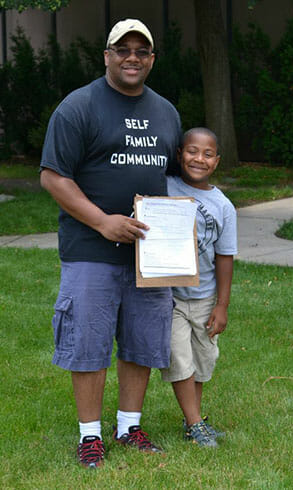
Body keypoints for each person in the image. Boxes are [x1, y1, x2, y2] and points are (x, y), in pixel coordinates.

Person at [40, 18, 181, 468]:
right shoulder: (78, 107)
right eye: (123, 49)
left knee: (143, 340)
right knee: (89, 342)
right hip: (91, 250)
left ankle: (128, 426)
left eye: (142, 50)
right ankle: (90, 436)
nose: (132, 57)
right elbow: (52, 176)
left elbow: (173, 180)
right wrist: (102, 222)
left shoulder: (166, 112)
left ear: (152, 59)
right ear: (107, 55)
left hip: (151, 256)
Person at [161, 127, 237, 448]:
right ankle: (194, 424)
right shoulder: (163, 187)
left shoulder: (224, 207)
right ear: (179, 154)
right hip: (170, 296)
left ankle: (194, 419)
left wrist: (222, 305)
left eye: (207, 154)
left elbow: (225, 257)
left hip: (205, 298)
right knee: (180, 359)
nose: (199, 159)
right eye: (192, 151)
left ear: (217, 161)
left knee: (202, 361)